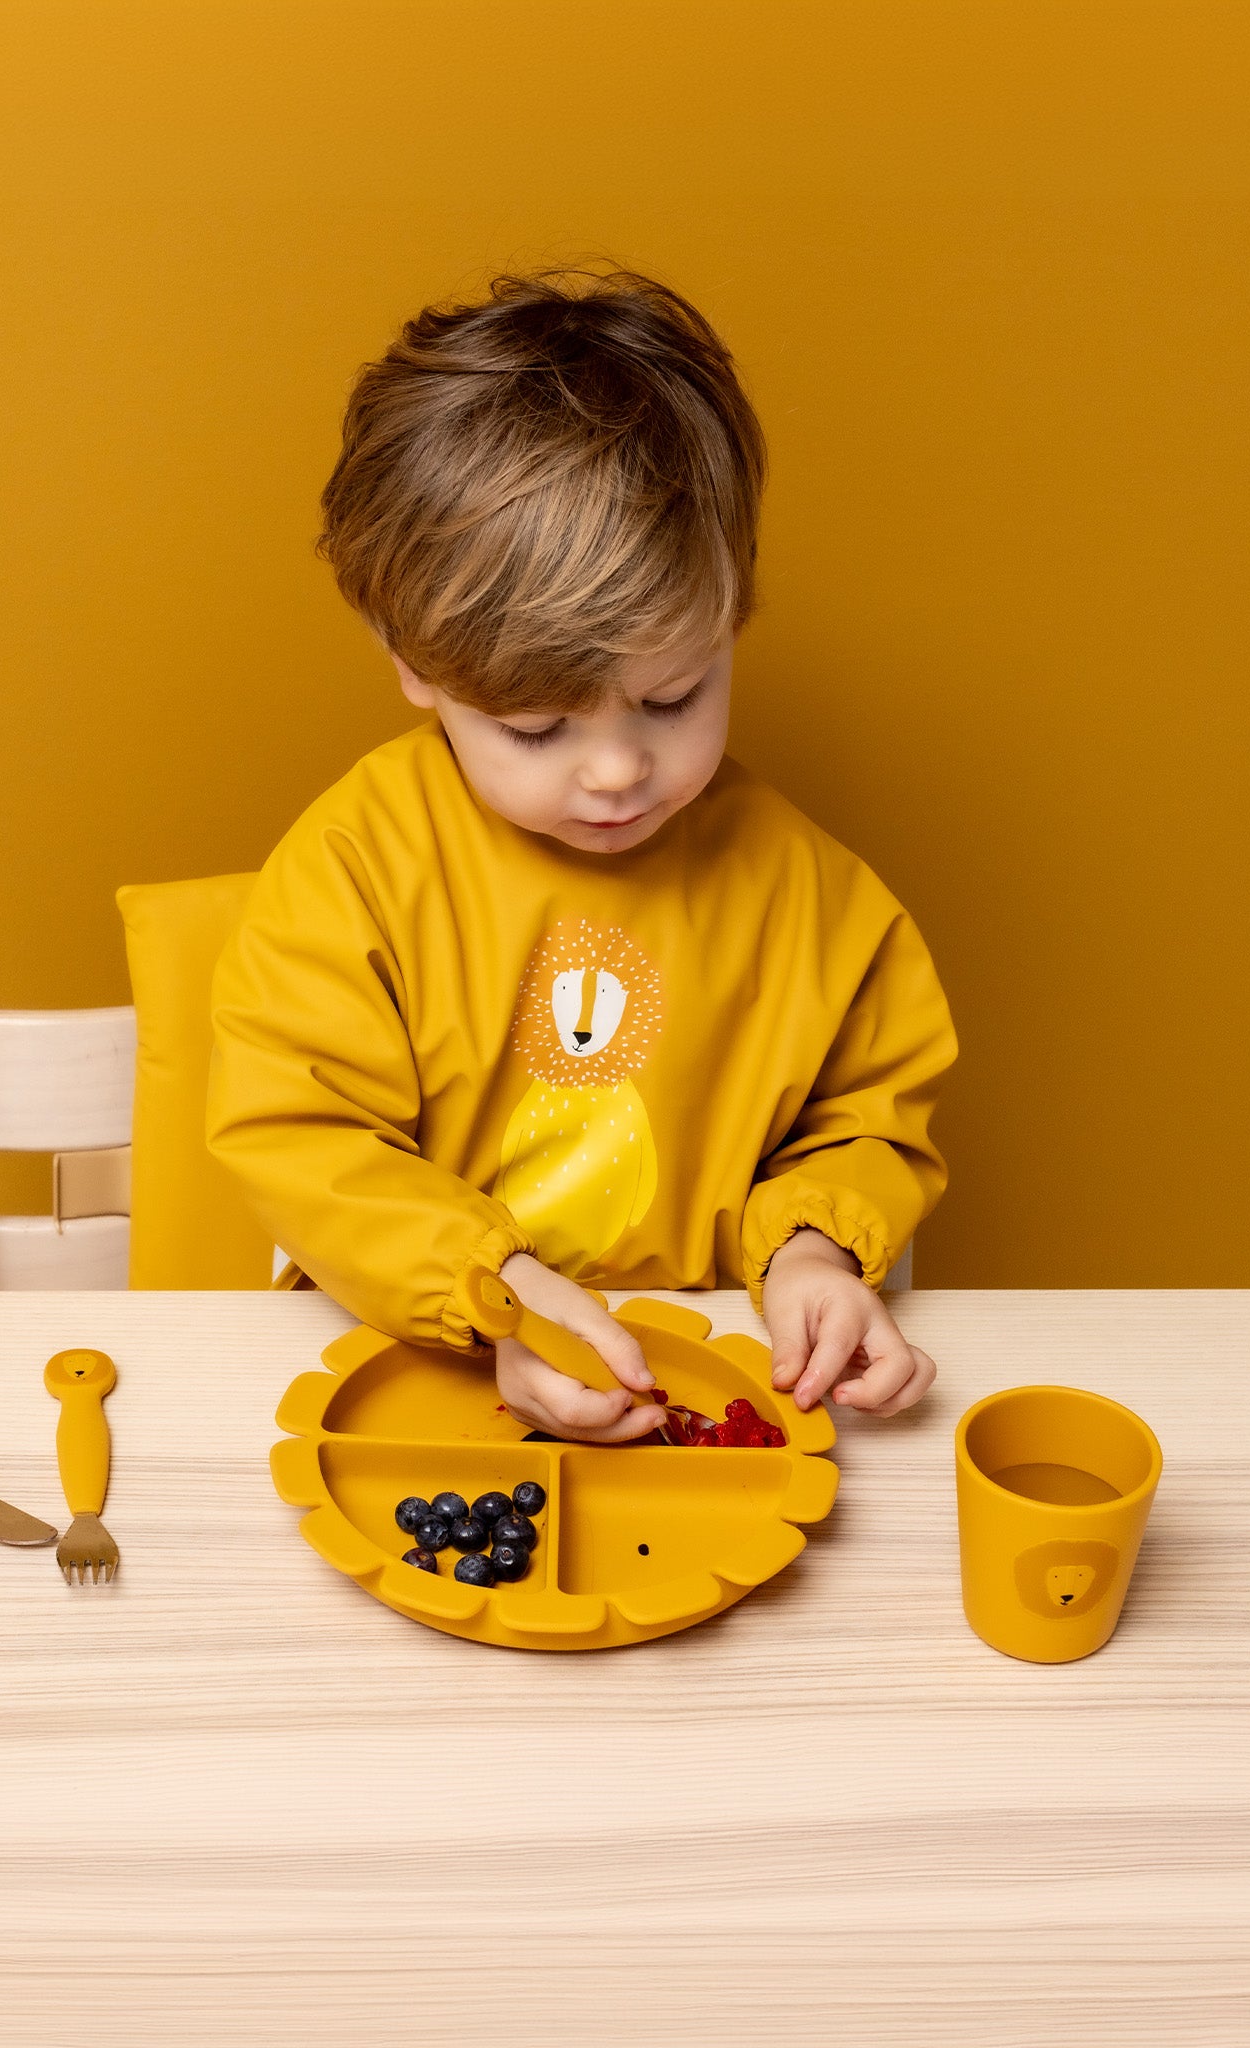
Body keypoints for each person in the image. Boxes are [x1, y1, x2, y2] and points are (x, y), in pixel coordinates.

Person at [208, 267, 957, 1443]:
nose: (615, 771)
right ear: (412, 663)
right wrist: (497, 1304)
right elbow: (300, 1140)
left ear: (733, 615)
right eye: (536, 727)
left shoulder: (808, 894)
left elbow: (864, 1115)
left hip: (697, 1390)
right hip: (420, 1378)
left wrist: (815, 1250)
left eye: (671, 696)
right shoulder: (355, 870)